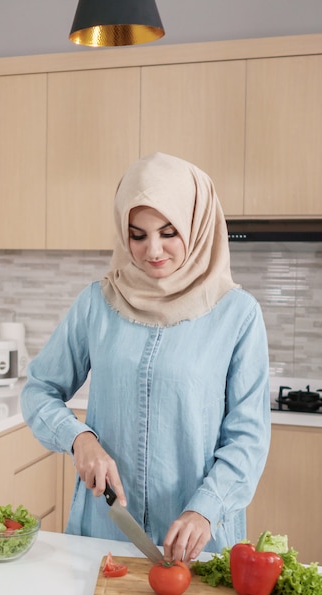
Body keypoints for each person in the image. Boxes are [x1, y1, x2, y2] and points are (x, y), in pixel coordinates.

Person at [21, 152, 270, 563]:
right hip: (103, 535)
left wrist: (205, 508)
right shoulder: (97, 304)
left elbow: (249, 436)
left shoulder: (238, 315)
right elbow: (39, 390)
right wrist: (79, 440)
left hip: (197, 540)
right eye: (138, 235)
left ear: (197, 225)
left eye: (169, 232)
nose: (152, 250)